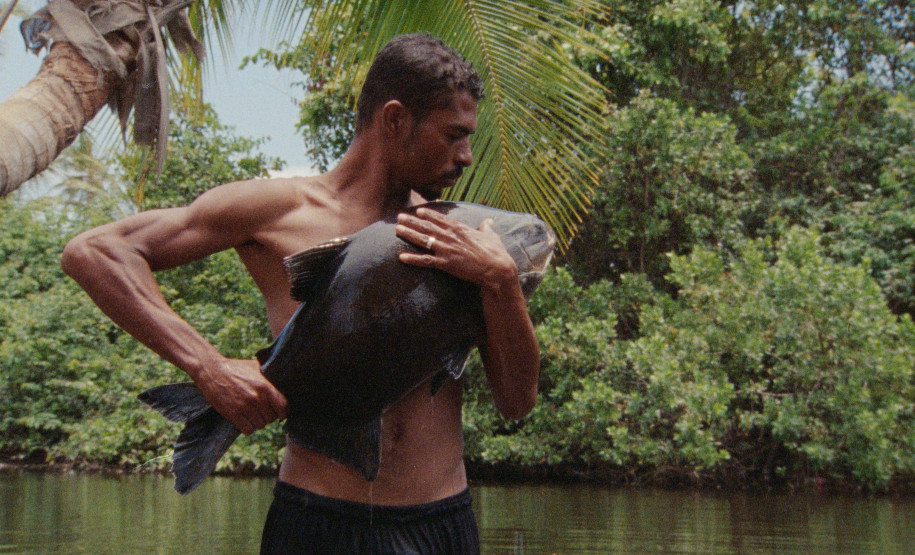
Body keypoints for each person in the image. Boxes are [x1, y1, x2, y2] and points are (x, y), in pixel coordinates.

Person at [61, 33, 540, 554]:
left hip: (440, 523)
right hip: (317, 522)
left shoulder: (463, 238)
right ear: (395, 119)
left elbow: (516, 403)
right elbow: (95, 252)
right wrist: (208, 367)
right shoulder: (279, 210)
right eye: (453, 135)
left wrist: (502, 284)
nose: (467, 156)